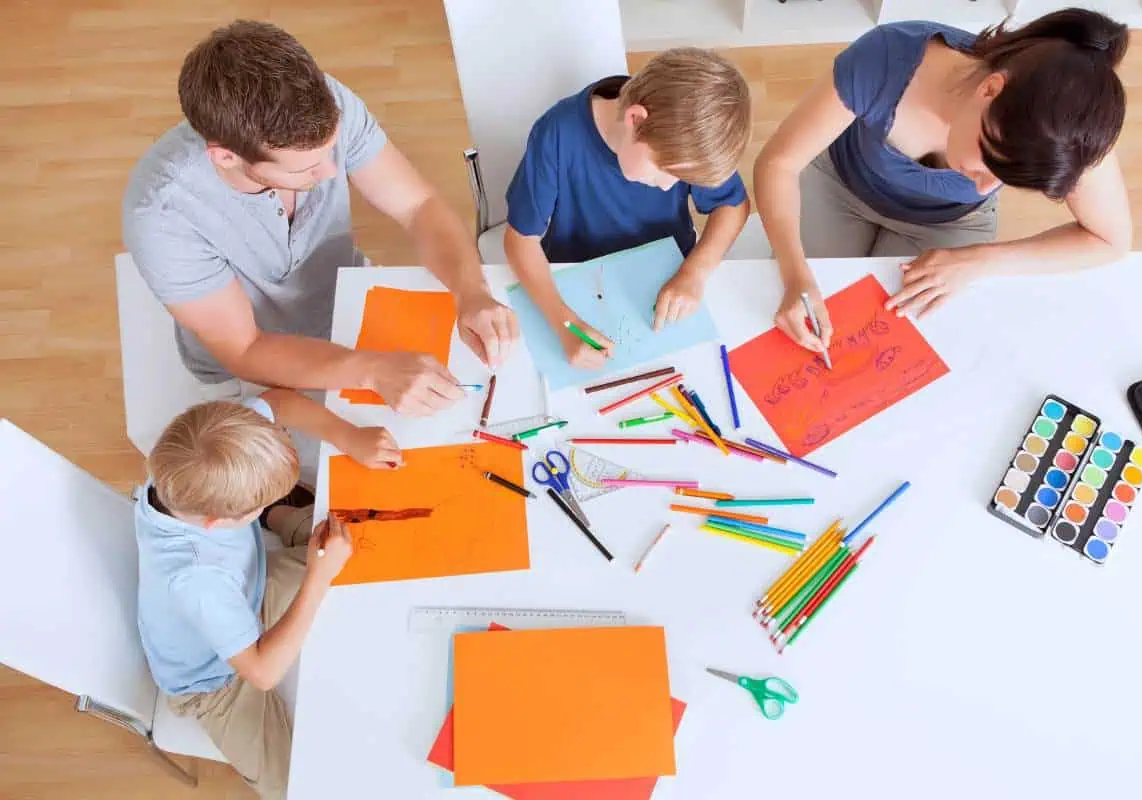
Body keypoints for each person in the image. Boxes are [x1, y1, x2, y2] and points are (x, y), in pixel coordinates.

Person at [123, 20, 519, 417]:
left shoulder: (330, 103)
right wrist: (373, 371)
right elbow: (246, 348)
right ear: (226, 156)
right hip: (255, 364)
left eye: (331, 150)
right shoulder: (163, 213)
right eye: (303, 169)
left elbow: (418, 206)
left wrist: (472, 291)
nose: (331, 173)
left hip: (348, 297)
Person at [754, 9, 1133, 352]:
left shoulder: (1068, 135)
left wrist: (980, 261)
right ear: (990, 90)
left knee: (895, 343)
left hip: (952, 221)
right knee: (805, 313)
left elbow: (1109, 240)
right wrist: (794, 272)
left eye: (1002, 179)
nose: (985, 189)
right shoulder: (885, 58)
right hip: (841, 184)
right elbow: (779, 163)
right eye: (989, 163)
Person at [136, 390, 400, 798]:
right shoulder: (196, 578)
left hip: (249, 586)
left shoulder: (187, 459)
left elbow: (278, 402)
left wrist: (346, 435)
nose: (257, 509)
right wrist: (317, 577)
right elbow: (262, 673)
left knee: (367, 549)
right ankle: (288, 524)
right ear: (215, 521)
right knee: (298, 786)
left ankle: (283, 520)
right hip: (216, 682)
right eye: (258, 507)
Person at [504, 48, 752, 369]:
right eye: (668, 171)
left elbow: (733, 205)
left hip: (664, 282)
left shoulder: (687, 136)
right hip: (574, 283)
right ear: (635, 120)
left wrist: (696, 271)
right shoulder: (556, 134)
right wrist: (565, 325)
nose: (669, 186)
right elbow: (519, 240)